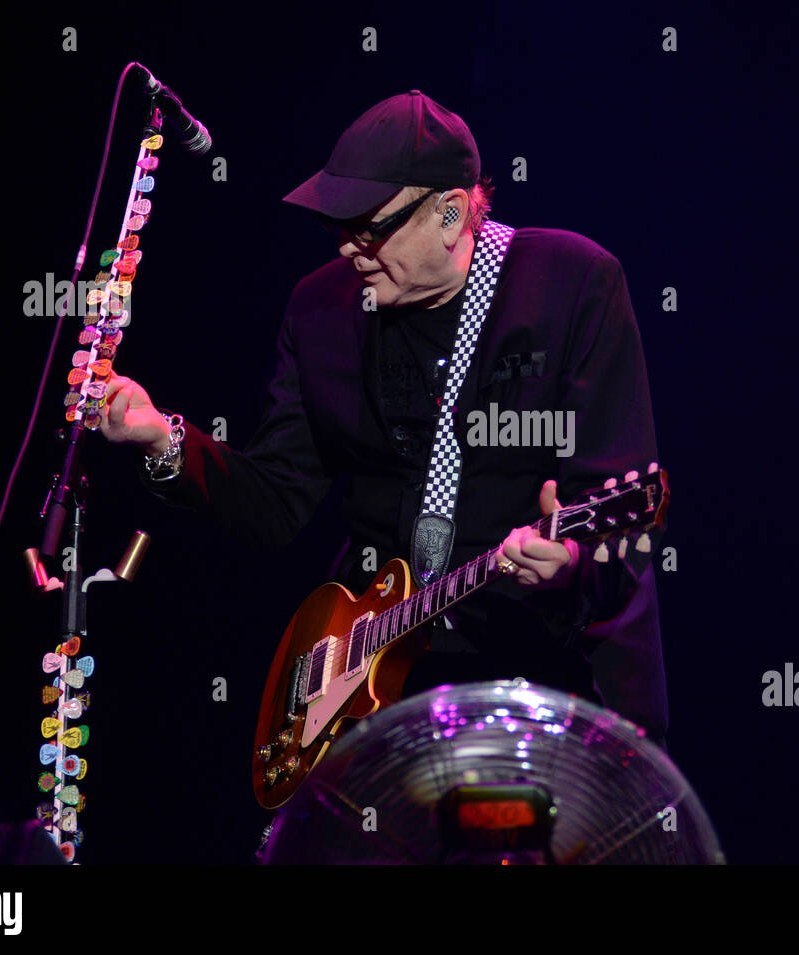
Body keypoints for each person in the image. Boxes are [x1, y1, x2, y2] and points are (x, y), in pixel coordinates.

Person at [99, 90, 667, 750]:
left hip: (552, 678)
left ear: (451, 214)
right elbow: (277, 500)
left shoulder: (573, 286)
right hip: (383, 684)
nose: (347, 248)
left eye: (368, 227)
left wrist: (569, 562)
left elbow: (619, 512)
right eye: (335, 226)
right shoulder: (320, 311)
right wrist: (164, 438)